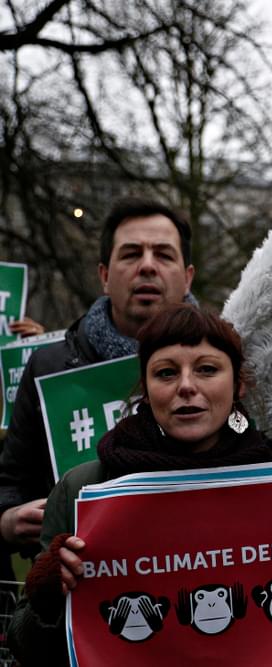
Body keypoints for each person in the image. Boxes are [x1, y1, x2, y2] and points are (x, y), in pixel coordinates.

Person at [7, 304, 272, 666]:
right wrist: (47, 600)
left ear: (238, 384)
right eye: (166, 372)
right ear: (146, 387)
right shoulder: (84, 488)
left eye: (207, 369)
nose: (187, 386)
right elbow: (27, 647)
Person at [0, 198, 196, 556]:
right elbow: (11, 483)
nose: (147, 266)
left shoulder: (227, 367)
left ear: (187, 277)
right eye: (131, 254)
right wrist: (9, 520)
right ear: (105, 276)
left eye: (164, 255)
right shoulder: (49, 367)